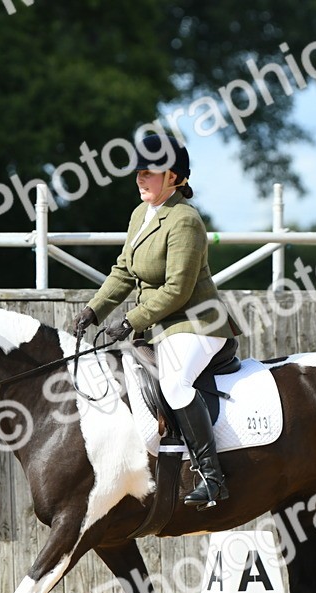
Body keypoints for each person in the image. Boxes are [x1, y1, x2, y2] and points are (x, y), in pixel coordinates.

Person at [72, 134, 239, 508]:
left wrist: (130, 320)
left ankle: (212, 477)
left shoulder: (185, 221)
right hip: (160, 325)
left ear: (173, 177)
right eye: (138, 172)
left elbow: (178, 289)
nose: (140, 178)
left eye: (149, 172)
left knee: (175, 384)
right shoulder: (140, 214)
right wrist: (94, 310)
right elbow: (123, 271)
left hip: (196, 323)